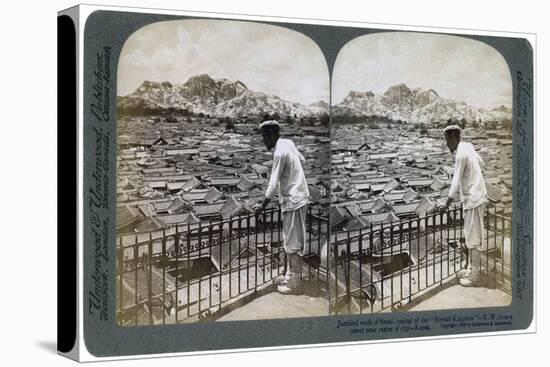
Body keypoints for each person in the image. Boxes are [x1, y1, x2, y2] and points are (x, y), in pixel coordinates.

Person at [254, 118, 310, 294]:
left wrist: (261, 207)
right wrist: (294, 178)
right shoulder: (288, 143)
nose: (263, 141)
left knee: (293, 243)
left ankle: (295, 284)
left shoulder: (279, 153)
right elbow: (303, 160)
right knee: (292, 241)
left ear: (271, 134)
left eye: (264, 136)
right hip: (299, 197)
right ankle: (289, 277)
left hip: (293, 200)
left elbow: (272, 183)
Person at [442, 125, 487, 287]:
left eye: (447, 141)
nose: (447, 145)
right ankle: (470, 269)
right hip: (477, 196)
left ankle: (474, 276)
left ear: (453, 137)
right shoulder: (467, 146)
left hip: (473, 199)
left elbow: (455, 182)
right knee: (471, 236)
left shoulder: (460, 154)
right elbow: (482, 162)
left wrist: (446, 204)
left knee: (473, 238)